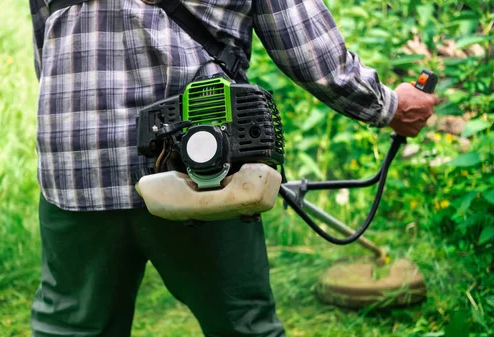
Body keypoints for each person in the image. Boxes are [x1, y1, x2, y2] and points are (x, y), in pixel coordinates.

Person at [27, 0, 438, 336]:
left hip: (76, 164)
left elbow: (46, 48)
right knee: (243, 329)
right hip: (201, 176)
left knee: (70, 328)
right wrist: (390, 106)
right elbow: (312, 52)